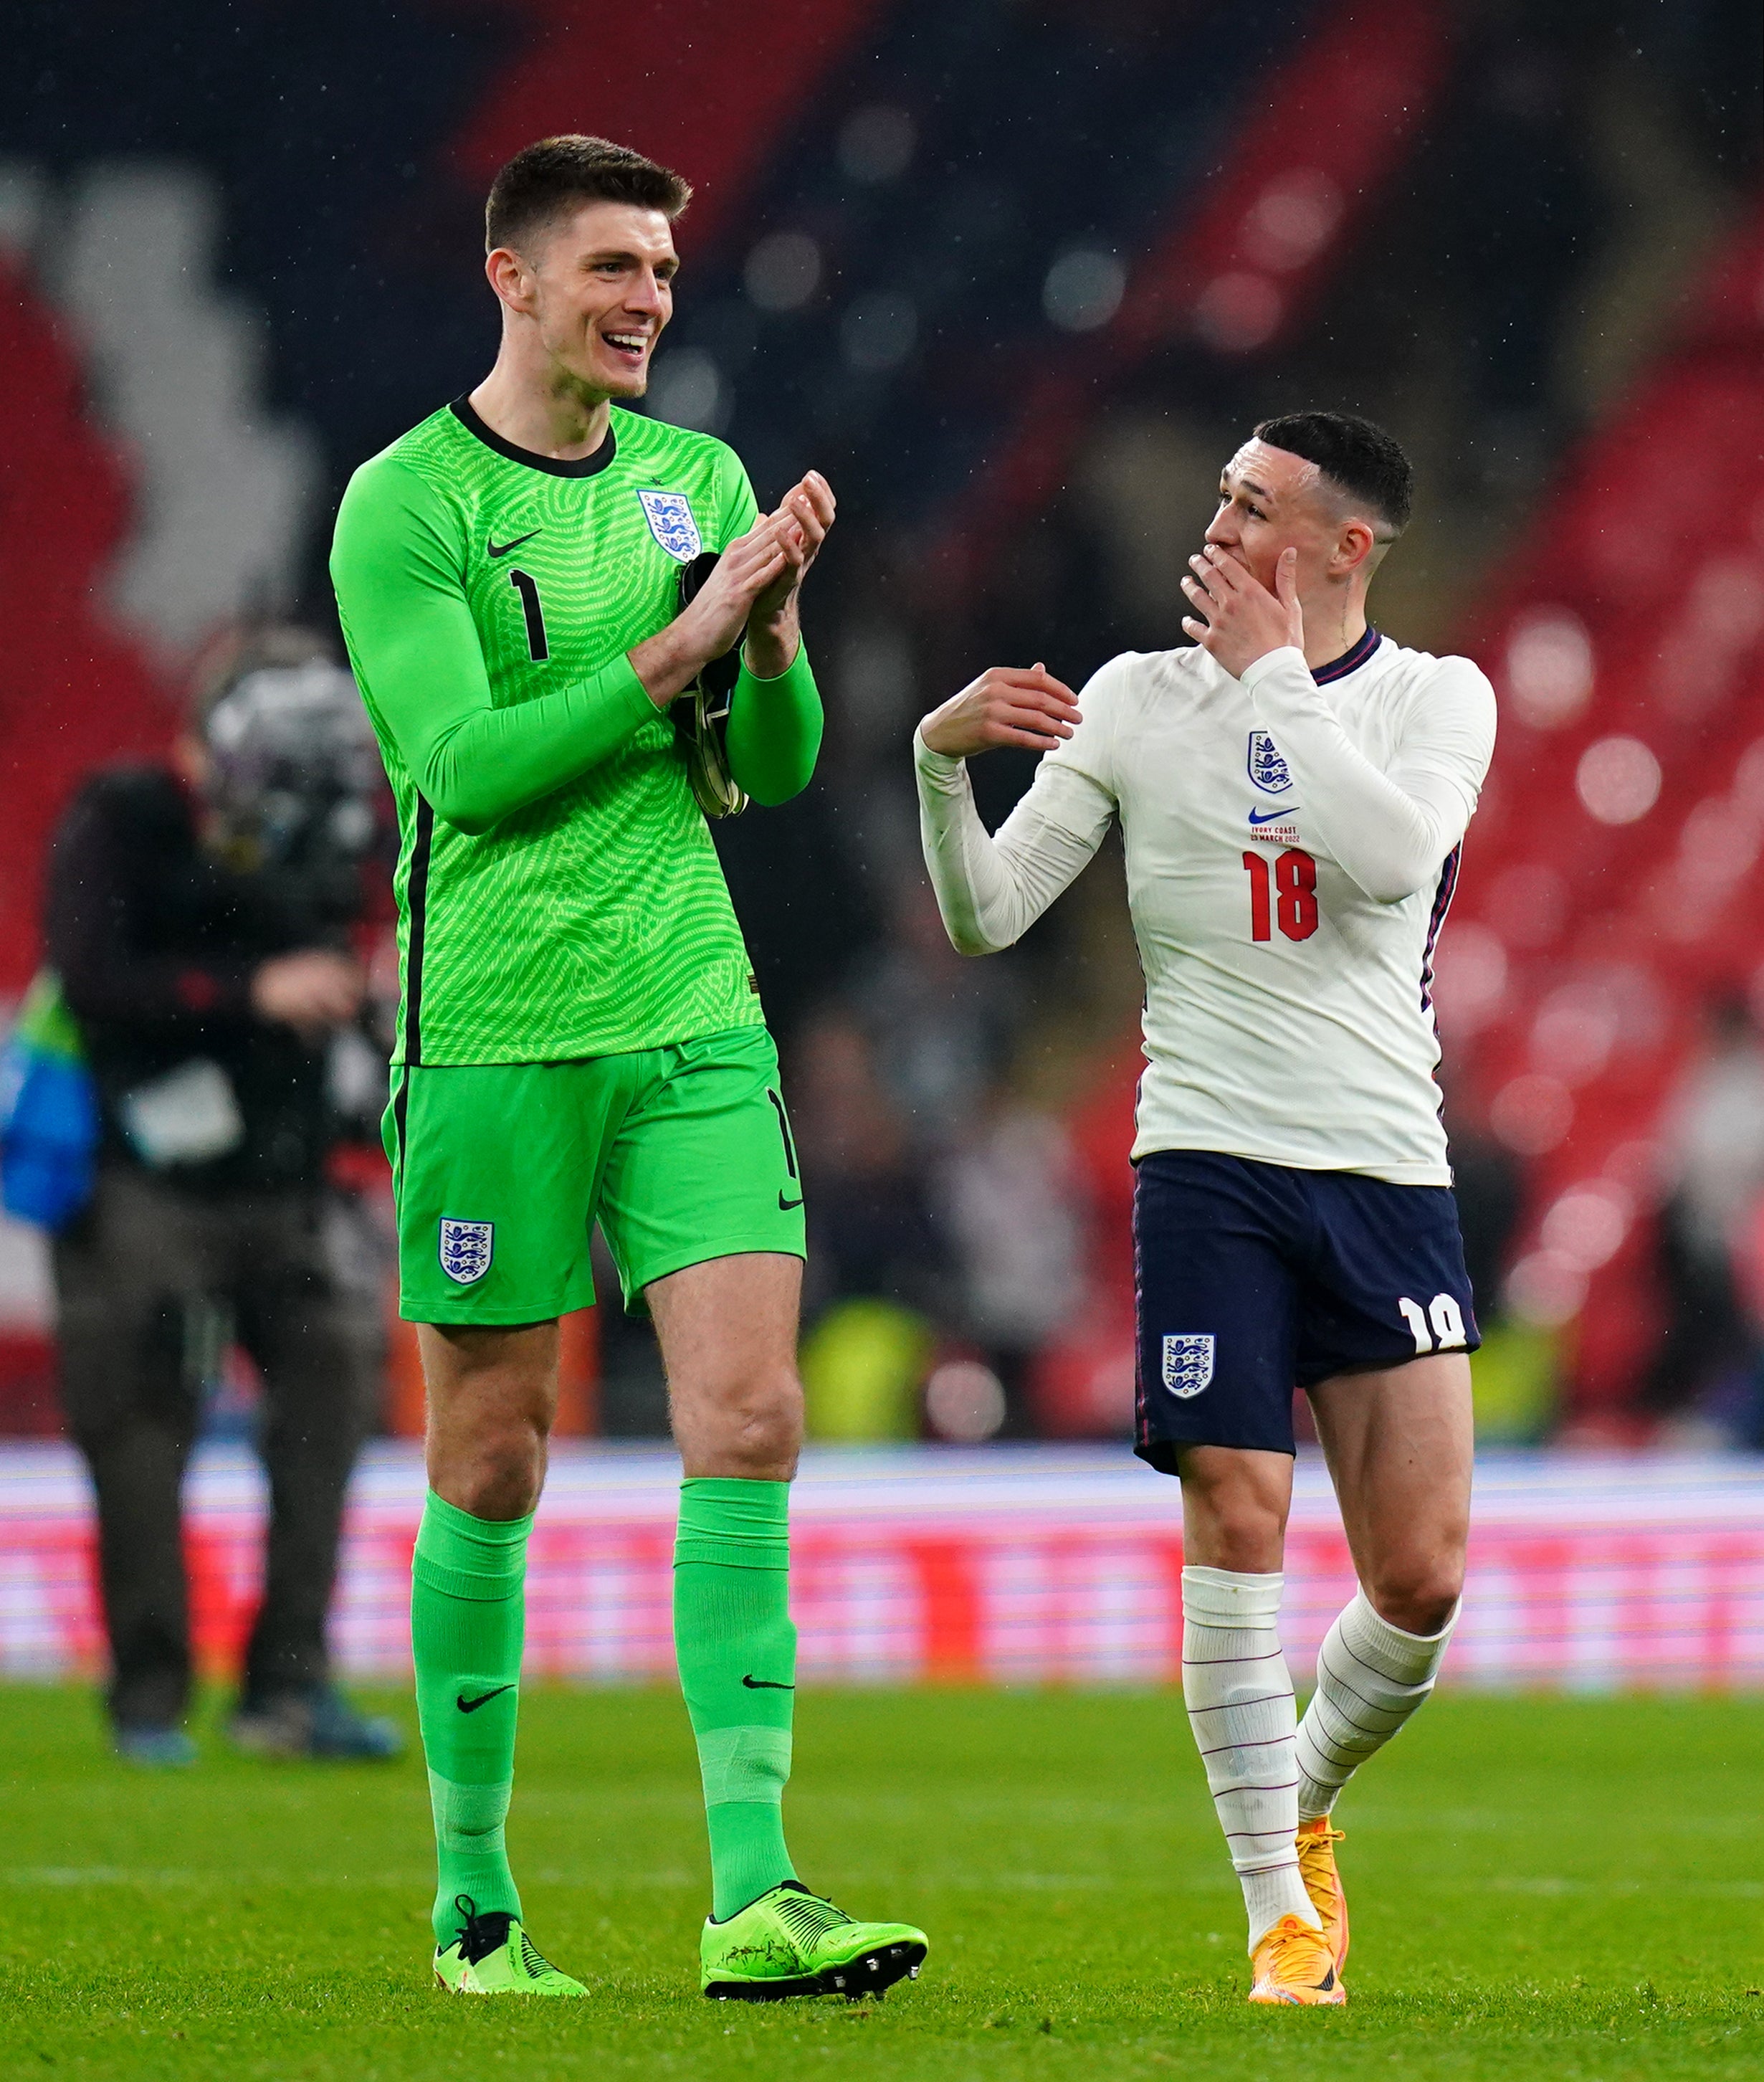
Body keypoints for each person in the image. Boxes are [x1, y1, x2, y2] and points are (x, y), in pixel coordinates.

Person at [329, 134, 926, 2002]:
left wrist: (766, 633)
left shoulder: (696, 481)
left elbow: (768, 764)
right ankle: (474, 1903)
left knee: (747, 1423)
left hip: (689, 1007)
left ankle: (753, 1891)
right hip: (494, 1031)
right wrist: (679, 640)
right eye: (611, 270)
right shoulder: (403, 504)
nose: (648, 301)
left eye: (660, 273)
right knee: (492, 1459)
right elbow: (465, 771)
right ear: (512, 280)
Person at [912, 412, 1496, 2005]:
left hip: (1383, 1166)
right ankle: (1274, 1921)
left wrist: (1269, 685)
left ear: (1342, 550)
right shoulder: (1128, 699)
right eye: (1223, 497)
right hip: (1206, 1164)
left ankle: (1299, 1799)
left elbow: (1384, 862)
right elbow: (988, 915)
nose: (1218, 526)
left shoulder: (1437, 699)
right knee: (1237, 1512)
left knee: (1421, 1580)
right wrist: (935, 766)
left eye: (1255, 508)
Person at [46, 629, 401, 1767]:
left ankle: (289, 1686)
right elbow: (92, 980)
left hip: (292, 1184)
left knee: (330, 1413)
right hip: (149, 1188)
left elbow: (369, 956)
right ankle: (149, 1697)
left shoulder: (334, 818)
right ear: (211, 746)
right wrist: (253, 989)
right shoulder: (125, 819)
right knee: (146, 1435)